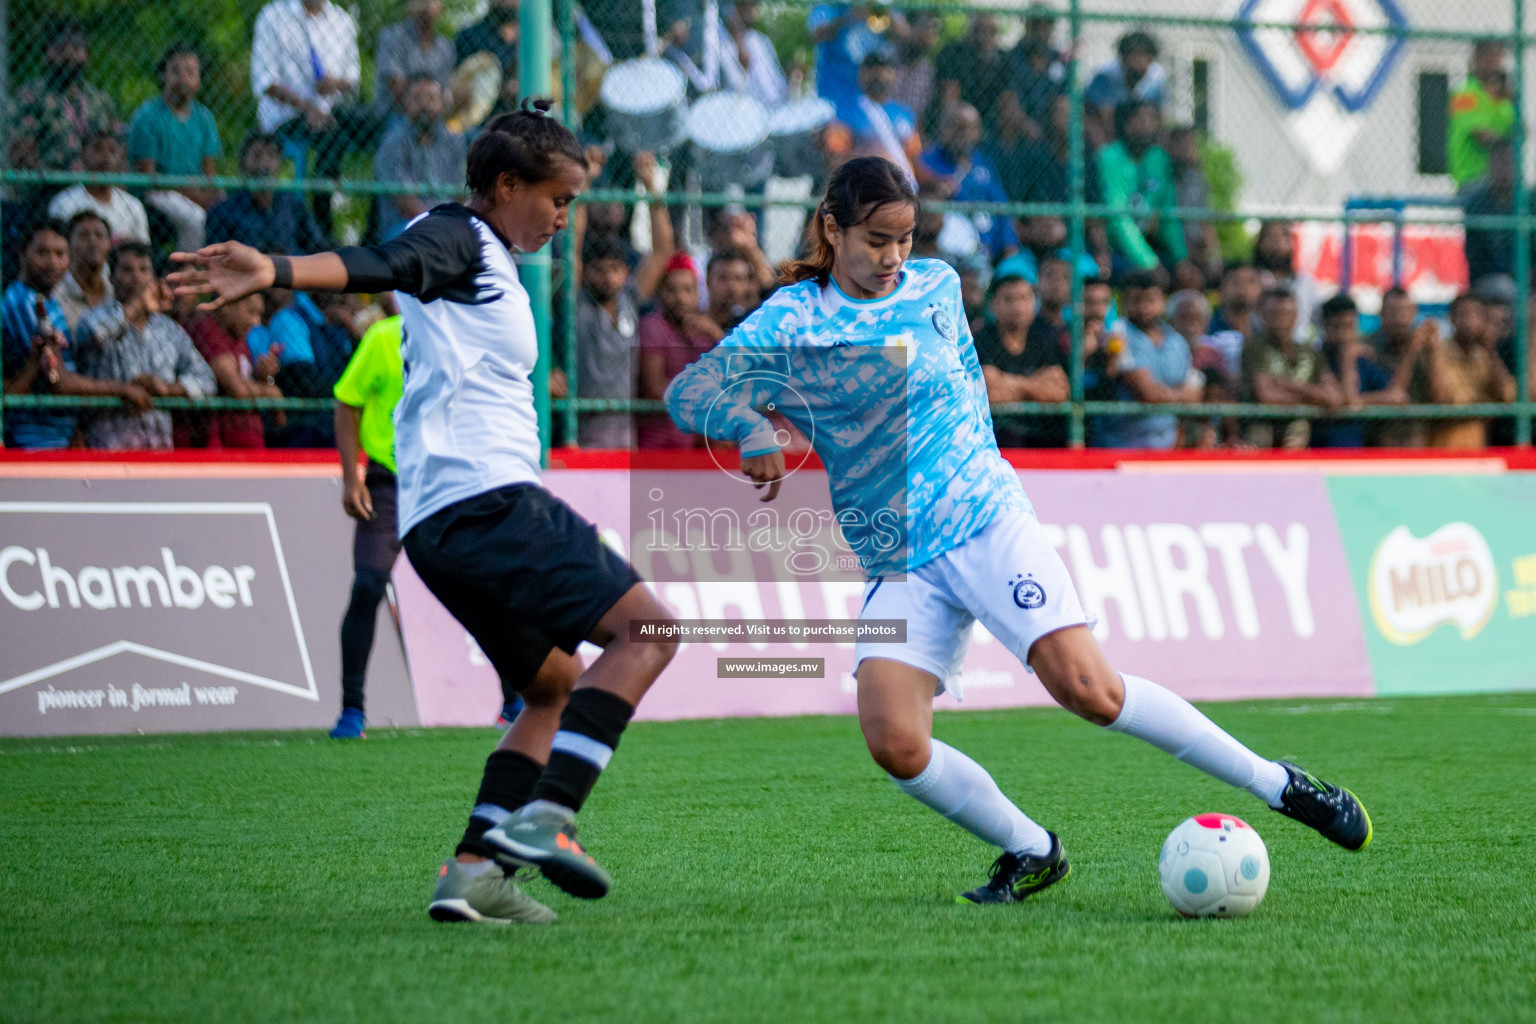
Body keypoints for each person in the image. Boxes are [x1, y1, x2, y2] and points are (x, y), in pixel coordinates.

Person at [665, 156, 1371, 906]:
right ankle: (1031, 850)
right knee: (894, 741)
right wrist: (745, 424)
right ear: (831, 229)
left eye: (906, 238)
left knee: (1092, 692)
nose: (894, 257)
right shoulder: (792, 320)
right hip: (896, 558)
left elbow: (965, 393)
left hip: (982, 519)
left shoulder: (934, 287)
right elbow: (689, 391)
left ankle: (1281, 785)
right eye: (877, 240)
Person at [171, 101, 678, 923]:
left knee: (551, 684)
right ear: (505, 185)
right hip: (490, 501)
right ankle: (549, 816)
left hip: (439, 522)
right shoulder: (460, 238)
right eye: (556, 199)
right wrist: (278, 269)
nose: (563, 218)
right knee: (649, 632)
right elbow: (383, 262)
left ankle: (474, 871)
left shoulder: (485, 256)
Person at [3, 220, 152, 450]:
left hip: (57, 437)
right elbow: (58, 380)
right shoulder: (22, 301)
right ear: (23, 254)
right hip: (34, 437)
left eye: (60, 254)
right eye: (42, 253)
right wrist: (122, 389)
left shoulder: (48, 301)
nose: (52, 262)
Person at [328, 312, 405, 738]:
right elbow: (347, 401)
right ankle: (351, 710)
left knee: (487, 588)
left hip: (448, 484)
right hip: (389, 483)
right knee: (368, 585)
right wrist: (351, 477)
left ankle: (513, 702)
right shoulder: (383, 337)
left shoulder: (464, 331)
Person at [73, 243, 217, 451]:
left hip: (158, 449)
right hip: (108, 448)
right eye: (127, 270)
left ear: (154, 279)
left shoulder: (169, 329)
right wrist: (138, 306)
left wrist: (166, 388)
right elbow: (95, 336)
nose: (137, 278)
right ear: (112, 278)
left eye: (144, 270)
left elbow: (207, 380)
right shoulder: (94, 318)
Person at [250, 0, 378, 232]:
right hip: (287, 114)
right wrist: (306, 106)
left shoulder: (341, 20)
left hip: (334, 112)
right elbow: (265, 81)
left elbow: (353, 79)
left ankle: (373, 233)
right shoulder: (273, 15)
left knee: (384, 128)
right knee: (329, 135)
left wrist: (333, 83)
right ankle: (321, 222)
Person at [575, 152, 675, 448]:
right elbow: (573, 244)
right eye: (599, 270)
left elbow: (662, 251)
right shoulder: (578, 305)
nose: (607, 278)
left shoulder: (630, 299)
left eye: (615, 270)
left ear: (625, 272)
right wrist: (584, 184)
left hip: (625, 434)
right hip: (583, 433)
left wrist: (650, 187)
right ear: (587, 272)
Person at [129, 42, 224, 253]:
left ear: (199, 79)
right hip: (159, 193)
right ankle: (187, 273)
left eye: (190, 72)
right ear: (163, 75)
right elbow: (147, 176)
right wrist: (192, 194)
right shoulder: (148, 116)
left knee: (231, 210)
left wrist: (214, 195)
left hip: (195, 191)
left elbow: (210, 172)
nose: (183, 78)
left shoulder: (204, 118)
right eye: (175, 71)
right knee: (195, 219)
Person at [1091, 272, 1202, 449]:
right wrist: (1179, 398)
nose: (1144, 307)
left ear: (1163, 302)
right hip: (1122, 446)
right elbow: (1147, 393)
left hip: (1168, 446)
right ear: (1125, 302)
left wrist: (1167, 397)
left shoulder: (1177, 341)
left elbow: (1195, 397)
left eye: (1151, 300)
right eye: (1136, 300)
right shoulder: (1117, 334)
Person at [10, 18, 120, 173]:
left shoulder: (100, 99)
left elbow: (115, 149)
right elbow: (20, 156)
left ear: (87, 54)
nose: (69, 55)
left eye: (76, 49)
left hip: (92, 189)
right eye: (60, 49)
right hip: (46, 189)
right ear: (46, 54)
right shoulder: (31, 96)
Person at [638, 252, 724, 448]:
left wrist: (717, 335)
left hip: (695, 443)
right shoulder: (653, 326)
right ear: (660, 293)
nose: (681, 298)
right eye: (672, 290)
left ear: (697, 294)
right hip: (658, 441)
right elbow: (655, 388)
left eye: (688, 290)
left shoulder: (703, 329)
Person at [973, 274, 1069, 448]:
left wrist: (1008, 382)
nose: (1017, 306)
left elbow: (1059, 392)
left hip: (1042, 433)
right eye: (1009, 299)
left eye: (1024, 298)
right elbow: (991, 393)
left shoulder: (1043, 338)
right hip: (996, 434)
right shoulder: (981, 340)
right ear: (994, 304)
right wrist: (1037, 383)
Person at [1240, 287, 1342, 449]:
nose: (1281, 321)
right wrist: (1315, 399)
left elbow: (1334, 398)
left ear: (1295, 316)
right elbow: (1267, 396)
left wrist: (1288, 385)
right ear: (1262, 317)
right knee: (1260, 435)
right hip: (1261, 426)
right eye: (1274, 315)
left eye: (1286, 314)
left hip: (1299, 430)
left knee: (1299, 427)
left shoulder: (1311, 352)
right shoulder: (1255, 348)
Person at [1097, 101, 1187, 280]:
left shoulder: (1159, 158)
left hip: (1150, 244)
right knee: (1143, 278)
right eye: (1140, 120)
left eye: (1152, 119)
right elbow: (1118, 219)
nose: (1147, 126)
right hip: (1116, 248)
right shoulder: (1109, 158)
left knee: (1187, 276)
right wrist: (1149, 263)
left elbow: (1169, 216)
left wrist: (1181, 260)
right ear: (1125, 125)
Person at [917, 104, 1018, 261]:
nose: (963, 134)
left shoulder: (984, 164)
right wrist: (936, 189)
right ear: (943, 129)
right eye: (957, 127)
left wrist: (1010, 244)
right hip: (946, 249)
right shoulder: (926, 163)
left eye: (970, 129)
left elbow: (1002, 206)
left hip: (989, 245)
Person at [374, 77, 469, 239]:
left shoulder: (454, 141)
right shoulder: (393, 141)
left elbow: (463, 193)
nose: (425, 105)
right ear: (406, 103)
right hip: (406, 226)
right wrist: (438, 226)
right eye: (417, 99)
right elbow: (403, 200)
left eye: (431, 99)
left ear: (442, 104)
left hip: (450, 225)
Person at [205, 134, 331, 255]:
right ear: (242, 165)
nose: (264, 163)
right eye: (257, 156)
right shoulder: (224, 212)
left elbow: (316, 245)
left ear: (280, 165)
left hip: (292, 272)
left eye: (271, 155)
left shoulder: (292, 206)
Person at [1311, 294, 1408, 449]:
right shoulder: (1314, 360)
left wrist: (1361, 401)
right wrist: (1347, 358)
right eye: (1338, 326)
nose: (1345, 334)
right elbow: (1346, 400)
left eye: (1349, 326)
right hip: (1322, 451)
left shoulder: (1363, 361)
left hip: (1360, 453)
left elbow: (1398, 397)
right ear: (1324, 326)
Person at [187, 293, 283, 449]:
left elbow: (246, 385)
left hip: (249, 445)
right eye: (251, 312)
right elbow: (237, 389)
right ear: (227, 306)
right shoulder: (206, 328)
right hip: (219, 450)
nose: (256, 322)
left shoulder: (238, 337)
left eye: (259, 314)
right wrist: (271, 393)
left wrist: (264, 378)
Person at [1426, 293, 1516, 448]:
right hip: (1445, 443)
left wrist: (1491, 350)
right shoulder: (1439, 350)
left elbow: (1508, 395)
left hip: (1479, 443)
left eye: (1476, 315)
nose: (1470, 321)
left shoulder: (1485, 354)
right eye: (1464, 314)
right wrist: (1484, 404)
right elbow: (1446, 401)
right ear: (1452, 319)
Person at [824, 54, 923, 185]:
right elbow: (837, 157)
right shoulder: (846, 112)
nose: (878, 73)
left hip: (901, 188)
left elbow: (914, 156)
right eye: (871, 68)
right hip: (862, 185)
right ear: (861, 74)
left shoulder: (904, 112)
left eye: (884, 68)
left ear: (894, 75)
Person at [46, 131, 151, 245]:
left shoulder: (133, 206)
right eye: (97, 149)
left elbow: (142, 250)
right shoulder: (64, 203)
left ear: (121, 157)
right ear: (83, 154)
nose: (106, 157)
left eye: (112, 151)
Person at [809, 3, 906, 117]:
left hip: (873, 100)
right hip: (835, 95)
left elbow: (904, 34)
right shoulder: (828, 4)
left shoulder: (883, 5)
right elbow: (817, 33)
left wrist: (889, 17)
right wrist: (849, 16)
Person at [1449, 40, 1514, 191]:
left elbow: (1521, 131)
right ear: (1478, 60)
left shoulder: (1502, 99)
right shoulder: (1464, 95)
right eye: (1491, 59)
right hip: (1472, 180)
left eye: (1500, 59)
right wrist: (1507, 142)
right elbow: (1481, 136)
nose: (1497, 66)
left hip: (1502, 181)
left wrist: (1513, 101)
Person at [374, 0, 457, 118]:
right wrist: (429, 97)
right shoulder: (391, 36)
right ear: (409, 6)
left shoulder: (445, 47)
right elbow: (396, 88)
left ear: (440, 8)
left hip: (434, 118)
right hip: (395, 116)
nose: (425, 5)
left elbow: (445, 90)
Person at [1169, 126, 1223, 288]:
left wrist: (1215, 255)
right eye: (1181, 144)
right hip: (1174, 247)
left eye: (1190, 144)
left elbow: (1206, 222)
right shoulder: (1163, 178)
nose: (1187, 149)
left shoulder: (1197, 179)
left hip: (1198, 246)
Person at [1085, 31, 1167, 135]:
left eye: (1146, 57)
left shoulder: (1157, 79)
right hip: (1107, 131)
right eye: (1136, 56)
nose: (1141, 62)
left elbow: (1159, 116)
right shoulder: (1106, 76)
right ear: (1124, 57)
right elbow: (1105, 116)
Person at [1253, 219, 1320, 343]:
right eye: (1270, 236)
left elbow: (1317, 323)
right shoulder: (1251, 281)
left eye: (1283, 236)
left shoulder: (1305, 283)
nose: (1277, 242)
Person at [718, 1, 789, 108]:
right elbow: (735, 86)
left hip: (775, 108)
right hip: (744, 110)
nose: (753, 9)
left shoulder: (761, 40)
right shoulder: (721, 46)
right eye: (744, 5)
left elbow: (776, 82)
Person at [56, 211, 115, 332]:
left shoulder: (115, 294)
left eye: (99, 235)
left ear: (109, 245)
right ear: (68, 244)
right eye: (83, 235)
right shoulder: (56, 295)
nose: (93, 242)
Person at [704, 247, 764, 333]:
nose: (732, 286)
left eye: (739, 279)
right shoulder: (693, 324)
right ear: (708, 282)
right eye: (723, 278)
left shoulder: (753, 323)